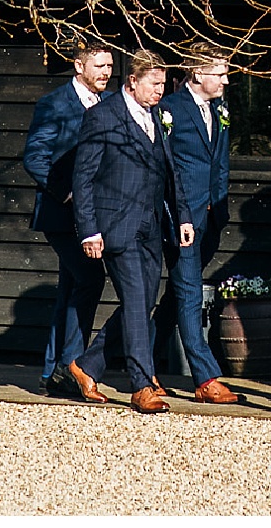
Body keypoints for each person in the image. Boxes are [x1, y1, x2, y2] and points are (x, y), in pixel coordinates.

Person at [71, 49, 194, 413]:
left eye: (163, 84)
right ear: (132, 81)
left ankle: (87, 364)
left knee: (143, 302)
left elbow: (171, 171)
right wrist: (89, 230)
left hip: (151, 225)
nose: (160, 91)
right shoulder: (102, 116)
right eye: (154, 84)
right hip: (116, 226)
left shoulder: (158, 116)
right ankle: (141, 385)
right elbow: (84, 177)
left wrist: (183, 216)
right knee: (137, 299)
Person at [22, 40, 114, 395]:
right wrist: (67, 192)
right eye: (99, 66)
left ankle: (52, 372)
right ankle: (72, 364)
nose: (106, 72)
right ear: (79, 67)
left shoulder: (107, 105)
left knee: (71, 288)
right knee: (90, 278)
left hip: (91, 216)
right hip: (61, 214)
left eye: (109, 66)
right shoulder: (55, 104)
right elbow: (35, 157)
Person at [157, 54, 238, 404]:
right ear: (198, 72)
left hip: (210, 217)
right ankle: (205, 378)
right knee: (189, 293)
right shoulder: (171, 108)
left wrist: (218, 206)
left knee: (176, 296)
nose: (226, 81)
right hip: (181, 218)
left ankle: (125, 362)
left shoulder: (218, 110)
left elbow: (219, 163)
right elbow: (167, 167)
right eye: (219, 74)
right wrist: (181, 214)